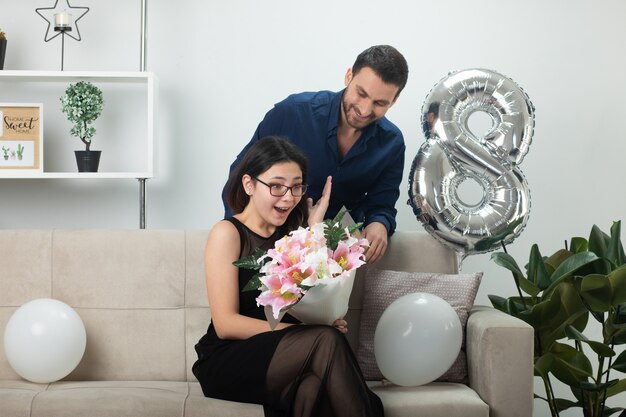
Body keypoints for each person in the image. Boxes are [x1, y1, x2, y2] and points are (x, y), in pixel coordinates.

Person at [194, 136, 384, 417]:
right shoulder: (227, 233)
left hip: (289, 356)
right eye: (276, 185)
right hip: (230, 357)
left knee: (312, 388)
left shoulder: (296, 236)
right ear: (249, 185)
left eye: (296, 187)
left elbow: (305, 307)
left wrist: (315, 231)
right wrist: (309, 334)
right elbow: (225, 324)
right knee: (326, 341)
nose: (288, 196)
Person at [223, 45, 409, 264]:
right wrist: (241, 238)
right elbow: (241, 176)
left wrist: (379, 223)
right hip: (272, 240)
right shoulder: (293, 112)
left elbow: (382, 204)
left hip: (335, 253)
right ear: (348, 76)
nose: (365, 110)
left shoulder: (392, 143)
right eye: (361, 94)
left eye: (379, 103)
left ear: (394, 101)